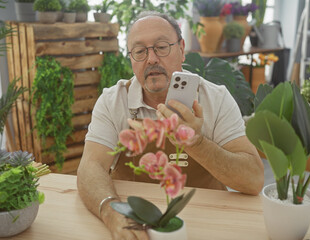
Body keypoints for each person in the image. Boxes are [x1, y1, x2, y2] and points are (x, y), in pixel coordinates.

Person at [77, 11, 264, 240]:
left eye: (161, 47)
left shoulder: (216, 99)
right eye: (140, 51)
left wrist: (196, 142)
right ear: (131, 59)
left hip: (206, 222)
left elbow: (253, 179)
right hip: (136, 222)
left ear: (182, 49)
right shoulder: (113, 101)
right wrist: (111, 212)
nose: (152, 59)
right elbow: (90, 167)